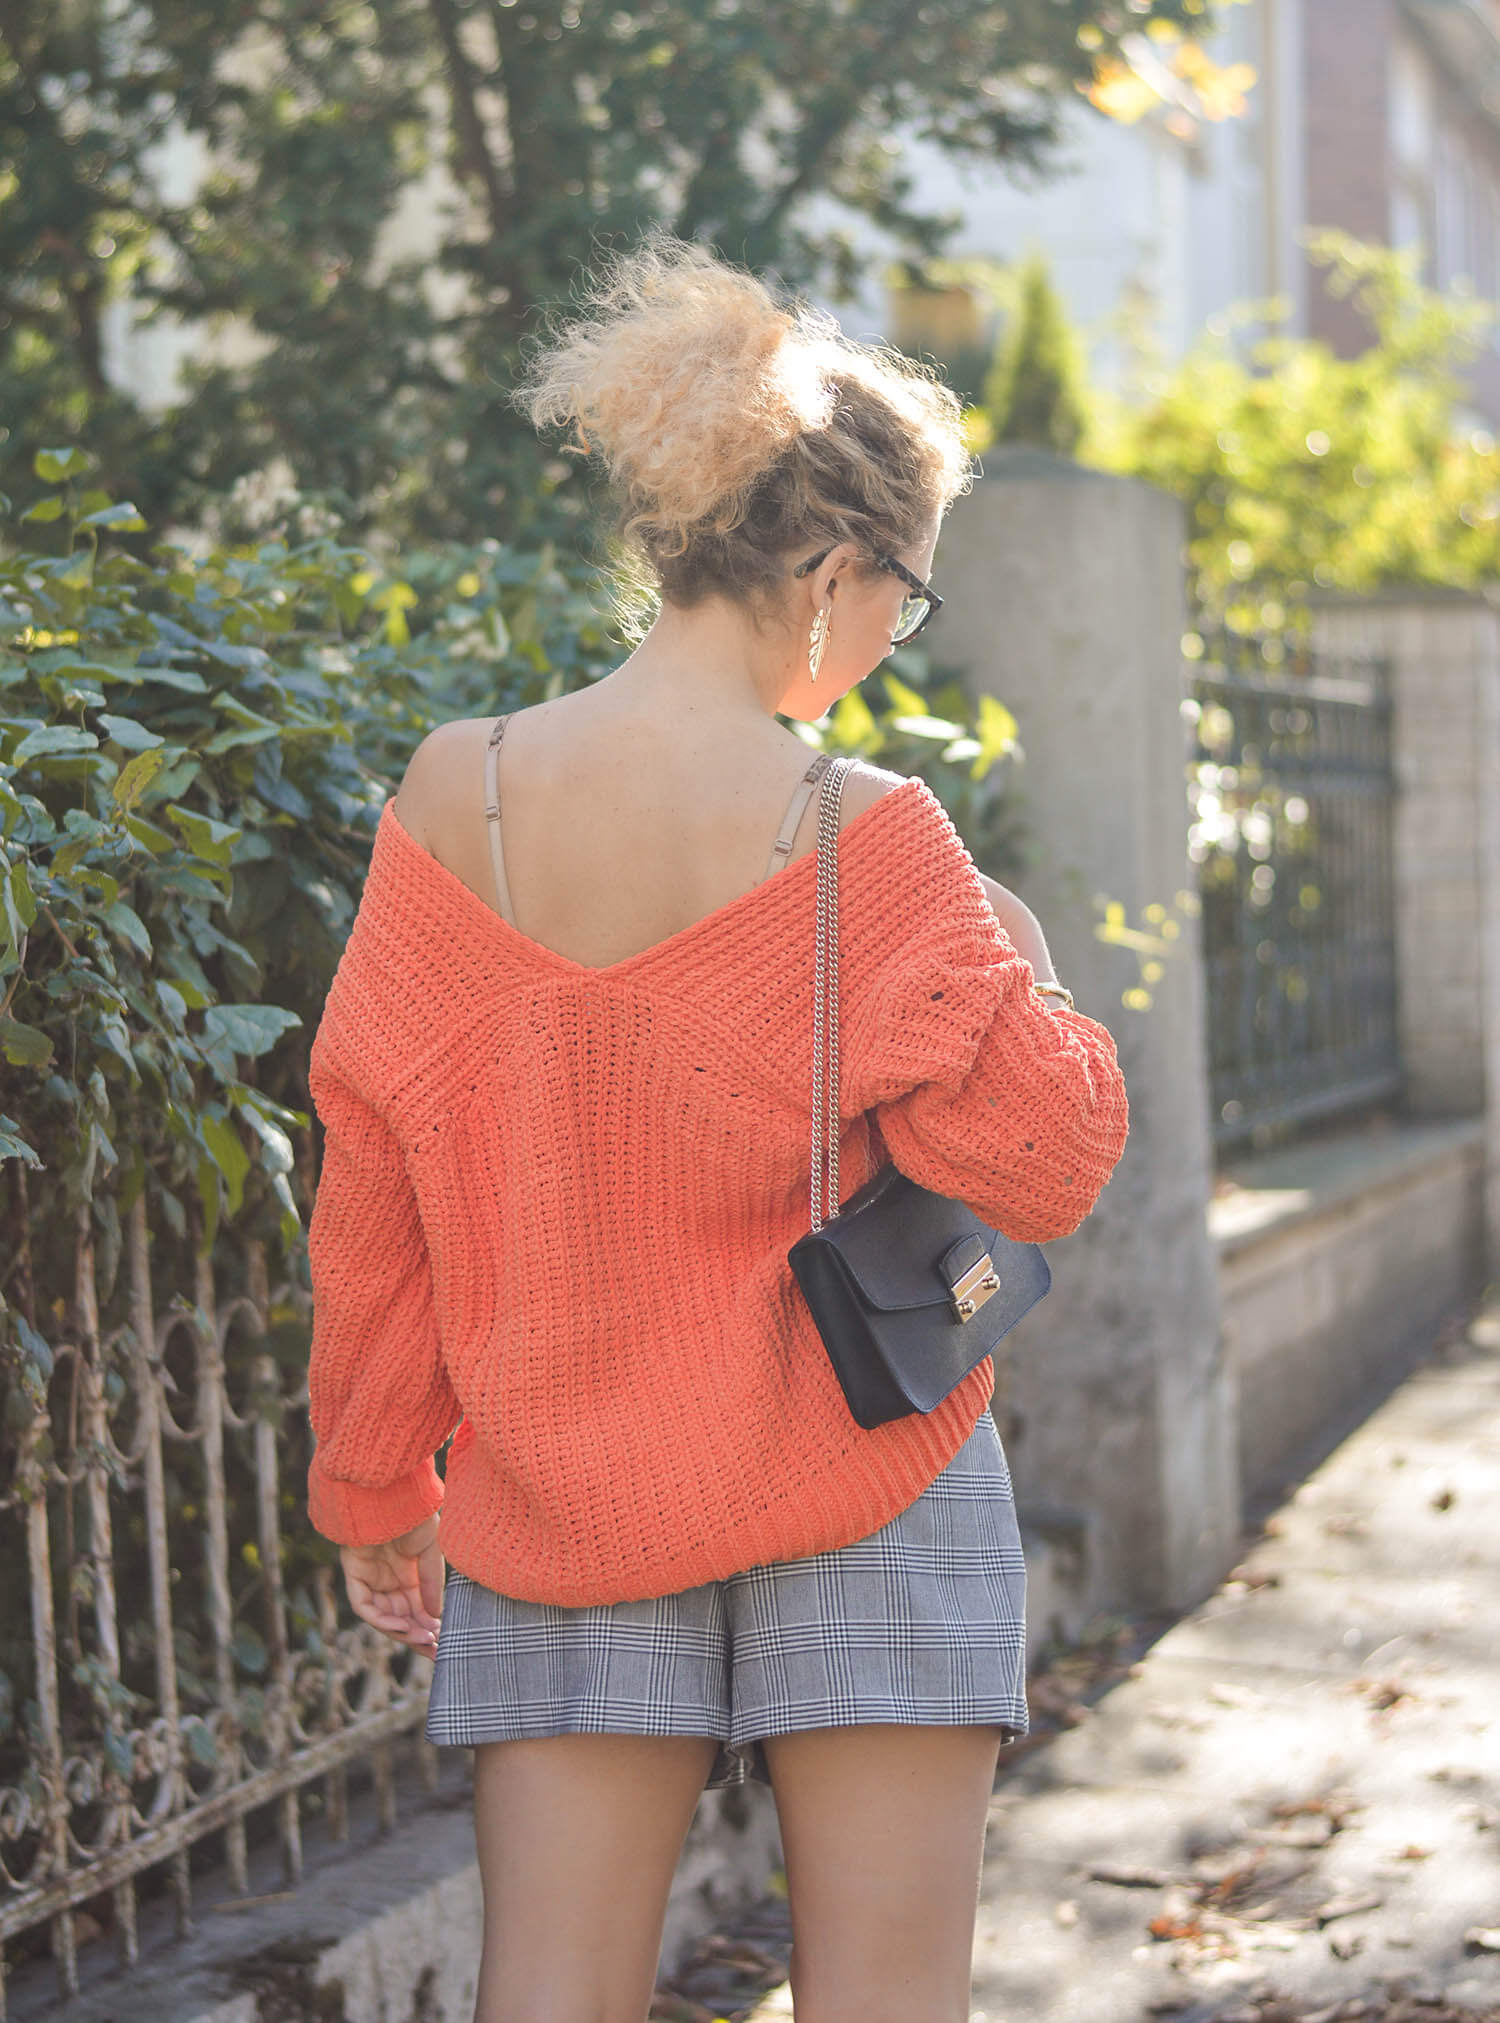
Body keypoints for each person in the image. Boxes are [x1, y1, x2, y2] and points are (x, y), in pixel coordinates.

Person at [303, 227, 1130, 2023]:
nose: (888, 641)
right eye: (903, 602)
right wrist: (1033, 963)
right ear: (837, 568)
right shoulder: (868, 831)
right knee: (885, 2000)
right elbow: (1045, 1160)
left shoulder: (459, 800)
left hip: (554, 1489)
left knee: (554, 1997)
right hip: (871, 1471)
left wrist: (378, 1478)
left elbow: (372, 1180)